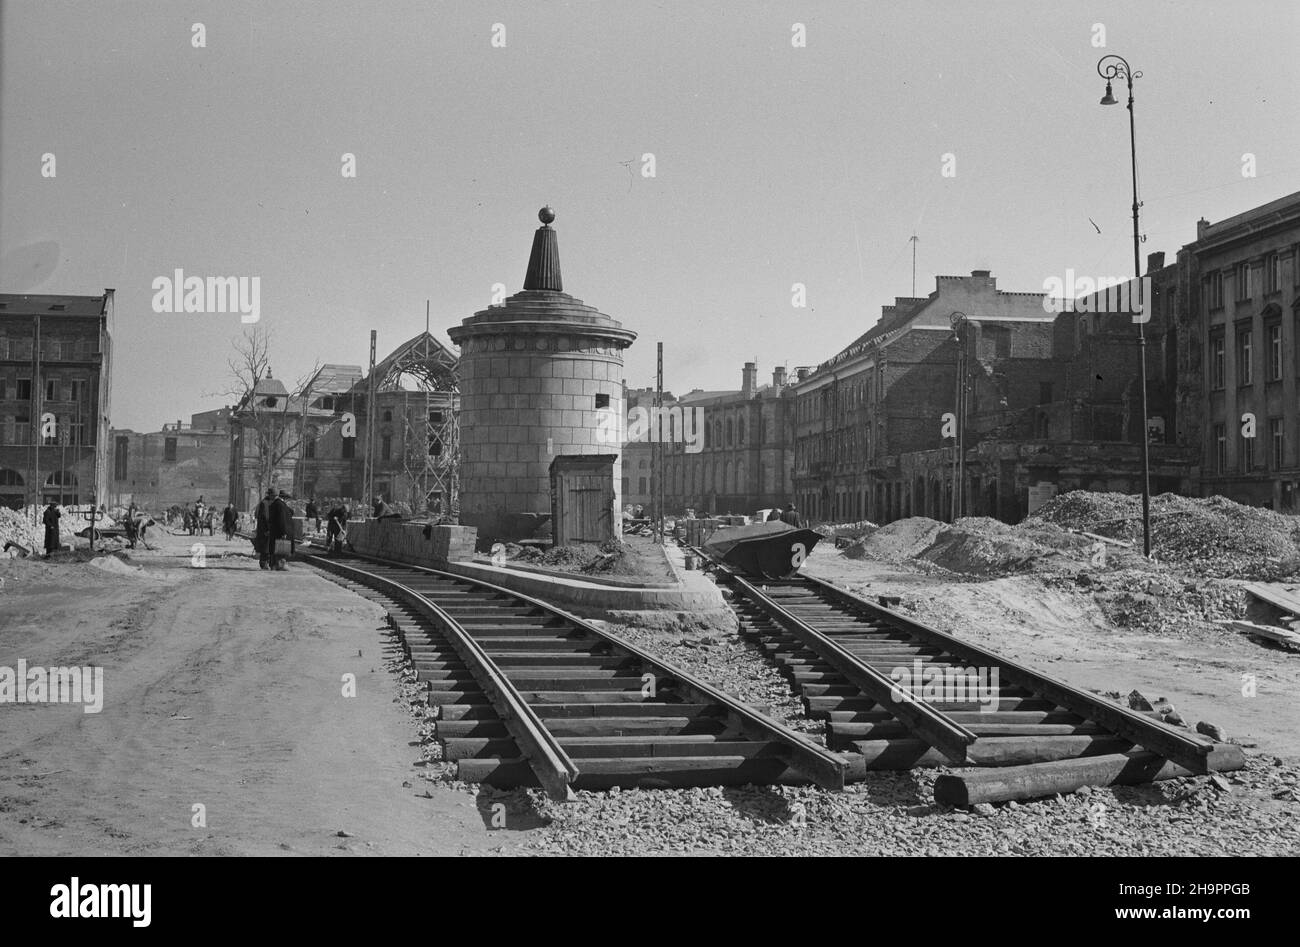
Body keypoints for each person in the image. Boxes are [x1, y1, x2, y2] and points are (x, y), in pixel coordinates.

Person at [267, 490, 296, 570]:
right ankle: (280, 565)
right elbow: (282, 519)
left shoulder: (276, 504)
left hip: (275, 531)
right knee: (281, 549)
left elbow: (289, 512)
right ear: (285, 498)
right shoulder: (280, 505)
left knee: (276, 548)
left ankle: (274, 565)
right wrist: (284, 531)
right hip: (280, 531)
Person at [254, 488, 275, 569]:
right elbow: (265, 517)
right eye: (273, 495)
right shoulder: (265, 503)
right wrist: (267, 529)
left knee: (267, 547)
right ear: (269, 495)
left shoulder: (267, 502)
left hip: (266, 528)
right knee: (265, 547)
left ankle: (266, 563)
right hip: (265, 529)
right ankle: (264, 563)